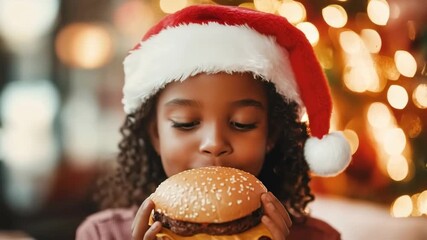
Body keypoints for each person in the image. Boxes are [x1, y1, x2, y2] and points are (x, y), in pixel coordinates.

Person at [76, 4, 352, 240]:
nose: (214, 144)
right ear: (155, 135)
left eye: (243, 123)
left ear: (271, 135)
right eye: (185, 123)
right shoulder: (102, 234)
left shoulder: (320, 237)